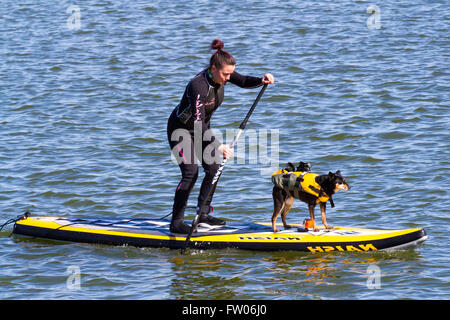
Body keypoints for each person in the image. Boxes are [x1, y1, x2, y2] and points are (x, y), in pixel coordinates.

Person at [167, 39, 275, 233]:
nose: (228, 78)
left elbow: (242, 81)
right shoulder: (198, 86)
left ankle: (203, 215)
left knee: (214, 166)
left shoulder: (223, 74)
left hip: (201, 131)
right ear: (213, 68)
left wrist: (261, 80)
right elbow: (198, 124)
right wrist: (218, 145)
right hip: (180, 131)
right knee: (191, 173)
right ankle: (176, 223)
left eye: (230, 74)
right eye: (225, 74)